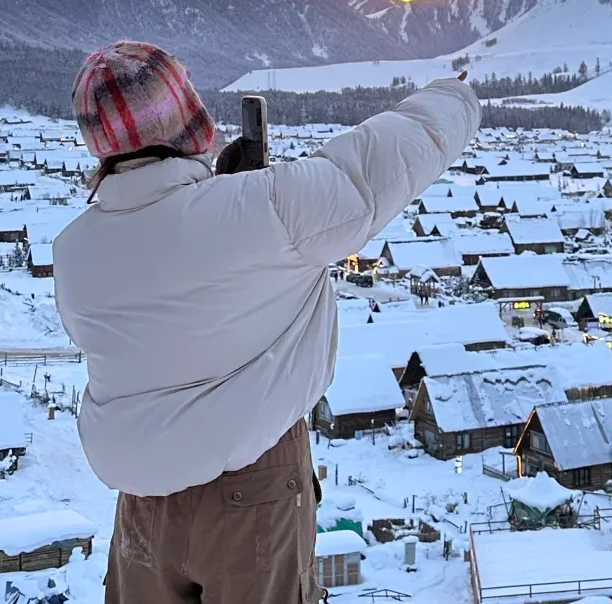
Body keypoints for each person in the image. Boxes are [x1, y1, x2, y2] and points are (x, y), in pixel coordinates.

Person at [53, 41, 481, 604]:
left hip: (141, 504)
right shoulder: (265, 211)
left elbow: (162, 297)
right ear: (190, 122)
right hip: (251, 489)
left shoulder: (73, 251)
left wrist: (216, 194)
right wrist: (458, 94)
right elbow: (385, 161)